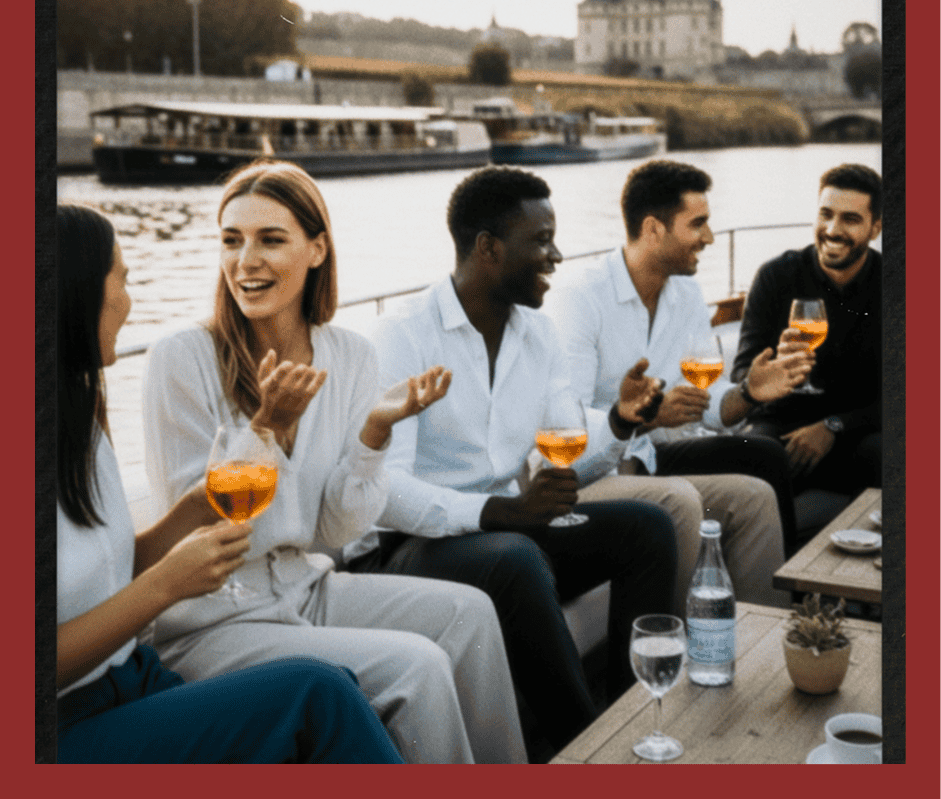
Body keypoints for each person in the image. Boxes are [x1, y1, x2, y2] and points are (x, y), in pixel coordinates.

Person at [141, 160, 526, 765]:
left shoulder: (348, 355)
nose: (246, 261)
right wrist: (266, 431)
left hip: (305, 585)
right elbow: (209, 533)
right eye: (231, 240)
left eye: (271, 239)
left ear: (317, 249)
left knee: (470, 613)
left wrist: (374, 433)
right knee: (419, 668)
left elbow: (334, 532)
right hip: (212, 621)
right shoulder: (180, 358)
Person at [344, 166, 679, 757]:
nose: (556, 255)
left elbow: (564, 449)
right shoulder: (402, 336)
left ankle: (632, 720)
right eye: (541, 240)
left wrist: (622, 421)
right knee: (517, 557)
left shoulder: (540, 335)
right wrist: (499, 510)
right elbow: (386, 490)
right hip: (409, 546)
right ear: (488, 249)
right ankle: (587, 749)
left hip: (505, 531)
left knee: (646, 528)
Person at [56, 203, 403, 764]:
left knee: (330, 685)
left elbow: (118, 561)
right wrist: (166, 586)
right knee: (320, 695)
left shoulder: (82, 414)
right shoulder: (174, 359)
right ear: (74, 293)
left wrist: (198, 506)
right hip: (57, 729)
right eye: (121, 278)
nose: (129, 299)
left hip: (131, 678)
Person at [545, 160, 811, 610]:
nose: (709, 237)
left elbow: (706, 403)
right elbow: (561, 430)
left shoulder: (685, 293)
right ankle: (682, 651)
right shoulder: (581, 299)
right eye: (698, 223)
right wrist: (641, 419)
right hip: (592, 475)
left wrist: (748, 393)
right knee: (688, 496)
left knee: (756, 493)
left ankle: (761, 643)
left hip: (650, 459)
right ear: (653, 229)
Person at [731, 163, 882, 529]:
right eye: (826, 214)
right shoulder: (776, 276)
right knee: (755, 455)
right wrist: (776, 370)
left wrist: (833, 425)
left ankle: (865, 569)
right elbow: (741, 374)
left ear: (875, 228)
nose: (832, 230)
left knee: (889, 453)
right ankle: (777, 567)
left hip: (858, 430)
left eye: (850, 219)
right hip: (782, 425)